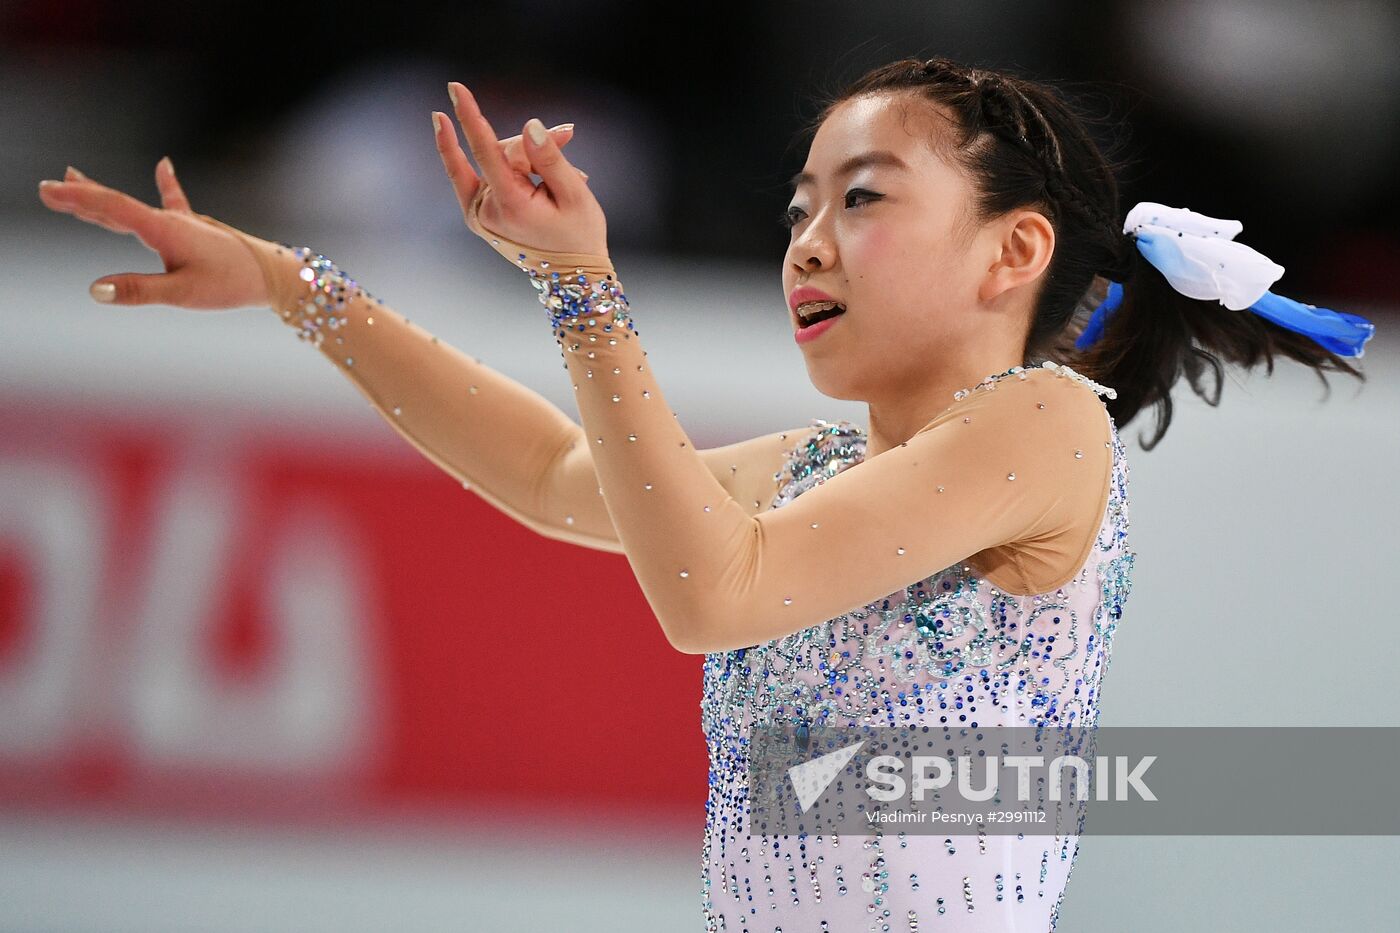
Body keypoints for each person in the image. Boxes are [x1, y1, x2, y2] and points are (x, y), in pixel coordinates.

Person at [38, 56, 1373, 932]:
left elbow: (712, 593)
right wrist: (293, 286)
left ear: (1012, 249)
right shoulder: (813, 471)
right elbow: (558, 471)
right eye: (798, 208)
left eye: (862, 197)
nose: (809, 238)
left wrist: (582, 290)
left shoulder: (1043, 425)